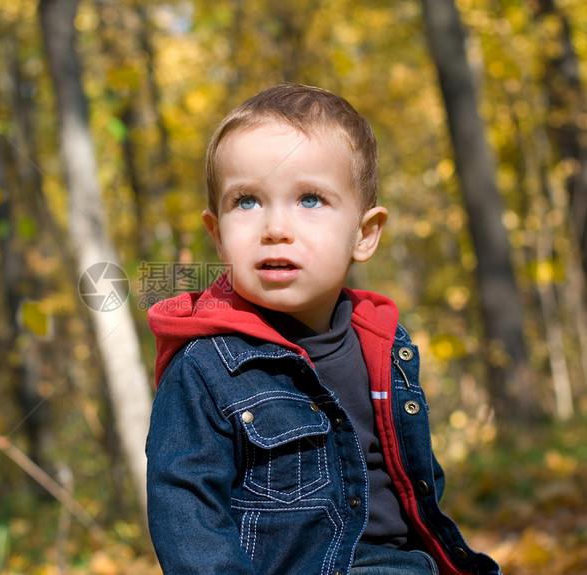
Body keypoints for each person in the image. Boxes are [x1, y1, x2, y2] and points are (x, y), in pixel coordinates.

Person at [145, 83, 500, 575]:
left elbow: (413, 478)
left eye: (309, 199)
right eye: (246, 201)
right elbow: (186, 510)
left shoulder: (383, 344)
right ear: (218, 235)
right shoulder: (205, 366)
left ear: (364, 234)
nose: (274, 227)